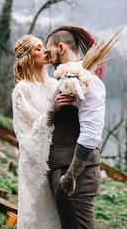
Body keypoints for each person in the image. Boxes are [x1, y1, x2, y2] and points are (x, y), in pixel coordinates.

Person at [12, 34, 76, 229]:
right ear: (28, 58)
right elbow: (26, 133)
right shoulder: (22, 90)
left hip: (60, 159)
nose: (46, 51)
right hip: (35, 165)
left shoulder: (56, 84)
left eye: (44, 47)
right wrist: (51, 111)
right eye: (38, 49)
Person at [46, 25, 106, 229]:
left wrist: (70, 176)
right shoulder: (68, 78)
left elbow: (91, 134)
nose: (48, 56)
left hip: (75, 177)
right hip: (64, 171)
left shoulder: (88, 81)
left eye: (50, 51)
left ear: (61, 48)